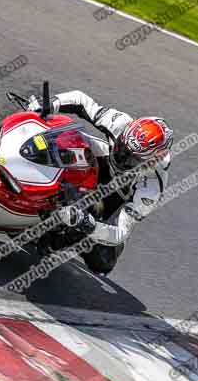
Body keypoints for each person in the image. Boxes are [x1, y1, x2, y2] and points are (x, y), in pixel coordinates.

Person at [27, 90, 173, 273]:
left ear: (151, 161)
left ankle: (61, 235)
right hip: (100, 159)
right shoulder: (120, 122)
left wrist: (87, 224)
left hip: (116, 200)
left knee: (103, 262)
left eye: (130, 159)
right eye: (121, 146)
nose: (120, 157)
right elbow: (81, 101)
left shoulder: (152, 184)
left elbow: (121, 233)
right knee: (68, 136)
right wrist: (51, 104)